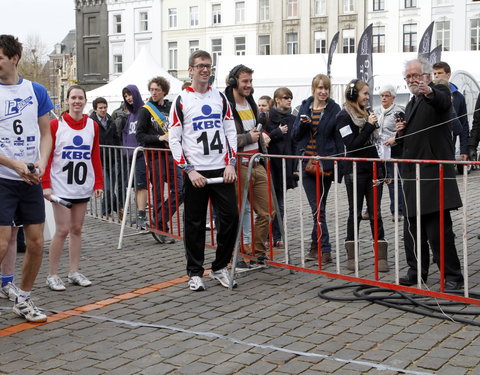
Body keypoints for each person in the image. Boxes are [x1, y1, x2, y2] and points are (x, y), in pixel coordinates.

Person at [169, 50, 239, 291]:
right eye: (199, 66)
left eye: (208, 66)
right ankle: (195, 272)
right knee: (194, 224)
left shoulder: (220, 98)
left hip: (221, 169)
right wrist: (188, 170)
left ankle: (220, 266)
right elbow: (174, 139)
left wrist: (231, 163)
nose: (204, 70)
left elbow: (230, 132)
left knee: (231, 219)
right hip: (196, 172)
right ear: (190, 70)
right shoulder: (181, 100)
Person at [396, 59, 464, 290]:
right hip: (412, 175)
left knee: (438, 231)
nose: (413, 80)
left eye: (417, 75)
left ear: (427, 76)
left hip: (433, 175)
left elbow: (442, 102)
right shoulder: (410, 103)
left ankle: (452, 276)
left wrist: (430, 91)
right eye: (408, 77)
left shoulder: (440, 90)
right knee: (412, 229)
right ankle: (417, 271)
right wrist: (400, 134)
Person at [0, 34, 53, 322]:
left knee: (35, 243)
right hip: (3, 177)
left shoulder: (36, 91)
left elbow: (46, 134)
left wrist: (41, 163)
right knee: (2, 241)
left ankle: (24, 298)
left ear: (14, 58)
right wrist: (14, 164)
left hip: (30, 179)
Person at [43, 85, 103, 291]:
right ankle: (52, 274)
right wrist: (46, 185)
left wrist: (98, 183)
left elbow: (94, 156)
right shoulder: (55, 125)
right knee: (62, 230)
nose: (77, 101)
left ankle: (74, 271)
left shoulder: (92, 126)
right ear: (67, 101)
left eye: (80, 98)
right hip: (60, 187)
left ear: (85, 101)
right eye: (73, 98)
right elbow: (48, 157)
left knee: (77, 229)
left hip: (82, 186)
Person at [336, 79, 388, 272]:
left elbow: (375, 144)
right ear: (353, 95)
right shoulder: (343, 117)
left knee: (376, 213)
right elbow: (352, 145)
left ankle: (381, 256)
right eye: (365, 93)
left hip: (373, 168)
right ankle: (352, 255)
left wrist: (383, 168)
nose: (368, 97)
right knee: (355, 213)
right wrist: (368, 126)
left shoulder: (366, 113)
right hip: (355, 171)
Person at [224, 64, 272, 269]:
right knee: (240, 211)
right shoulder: (225, 105)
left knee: (268, 211)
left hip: (257, 161)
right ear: (234, 81)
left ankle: (256, 252)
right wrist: (247, 137)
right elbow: (224, 138)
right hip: (239, 164)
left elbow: (254, 132)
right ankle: (239, 253)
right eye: (245, 81)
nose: (249, 85)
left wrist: (260, 137)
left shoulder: (251, 102)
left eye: (250, 81)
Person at [294, 74, 342, 264]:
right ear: (313, 89)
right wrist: (303, 125)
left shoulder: (334, 109)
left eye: (326, 88)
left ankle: (316, 247)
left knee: (319, 208)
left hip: (325, 165)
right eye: (320, 88)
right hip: (307, 165)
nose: (323, 91)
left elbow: (338, 138)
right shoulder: (305, 106)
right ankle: (325, 248)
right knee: (317, 208)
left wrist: (340, 161)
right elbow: (295, 135)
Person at [136, 76, 183, 244]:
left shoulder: (171, 107)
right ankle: (162, 229)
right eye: (152, 89)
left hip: (172, 154)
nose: (154, 92)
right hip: (155, 155)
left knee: (180, 189)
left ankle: (159, 220)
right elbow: (140, 135)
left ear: (164, 91)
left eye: (157, 89)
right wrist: (159, 137)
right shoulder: (145, 110)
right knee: (156, 192)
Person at [266, 87, 297, 248]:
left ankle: (277, 236)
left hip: (285, 167)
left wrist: (295, 167)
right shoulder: (268, 117)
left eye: (290, 97)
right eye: (286, 97)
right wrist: (277, 132)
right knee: (268, 204)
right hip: (271, 166)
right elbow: (264, 140)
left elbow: (295, 143)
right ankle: (265, 236)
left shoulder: (293, 119)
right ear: (277, 99)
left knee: (280, 204)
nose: (289, 100)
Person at [116, 85, 148, 229]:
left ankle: (142, 215)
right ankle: (139, 214)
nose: (128, 98)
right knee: (136, 187)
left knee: (141, 186)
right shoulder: (130, 115)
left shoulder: (144, 111)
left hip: (141, 154)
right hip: (130, 156)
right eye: (126, 96)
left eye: (130, 94)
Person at [375, 85, 405, 221]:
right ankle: (373, 210)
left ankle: (397, 211)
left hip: (393, 152)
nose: (384, 98)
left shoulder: (398, 112)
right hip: (379, 152)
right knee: (377, 181)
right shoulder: (376, 111)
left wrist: (394, 139)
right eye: (382, 95)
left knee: (394, 182)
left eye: (387, 95)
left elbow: (403, 132)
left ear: (393, 97)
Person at [90, 97, 120, 219]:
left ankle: (105, 212)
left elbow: (116, 138)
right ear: (95, 109)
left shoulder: (111, 121)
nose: (103, 110)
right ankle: (116, 208)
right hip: (99, 159)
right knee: (107, 189)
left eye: (105, 107)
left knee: (111, 188)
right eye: (100, 108)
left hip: (112, 158)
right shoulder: (91, 122)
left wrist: (117, 154)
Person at [432, 61, 469, 161]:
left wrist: (464, 149)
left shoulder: (459, 97)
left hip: (449, 147)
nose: (436, 76)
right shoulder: (428, 94)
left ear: (448, 75)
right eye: (435, 73)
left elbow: (464, 124)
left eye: (440, 73)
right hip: (430, 147)